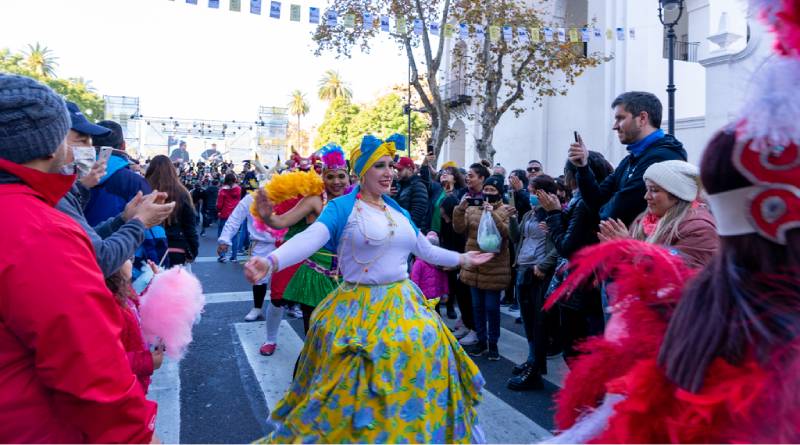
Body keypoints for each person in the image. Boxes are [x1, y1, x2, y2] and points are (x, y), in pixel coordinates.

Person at [548, 6, 800, 439]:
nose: (648, 197)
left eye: (621, 118)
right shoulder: (636, 165)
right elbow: (600, 203)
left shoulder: (663, 158)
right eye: (645, 190)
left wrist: (637, 249)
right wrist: (586, 168)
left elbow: (608, 212)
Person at [245, 134, 494, 443]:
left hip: (403, 301)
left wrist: (463, 258)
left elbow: (426, 252)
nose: (388, 172)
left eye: (390, 165)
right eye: (379, 166)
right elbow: (310, 238)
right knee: (358, 383)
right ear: (362, 173)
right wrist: (272, 261)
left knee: (423, 358)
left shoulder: (397, 211)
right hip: (358, 307)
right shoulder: (341, 208)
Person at [0, 73, 157, 443]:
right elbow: (90, 368)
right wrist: (139, 435)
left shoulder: (37, 211)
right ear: (51, 146)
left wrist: (119, 218)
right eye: (77, 138)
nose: (84, 148)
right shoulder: (37, 228)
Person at [56, 102, 174, 277]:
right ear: (51, 142)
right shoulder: (46, 196)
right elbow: (101, 257)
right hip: (117, 270)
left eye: (90, 141)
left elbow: (84, 240)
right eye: (81, 140)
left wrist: (124, 218)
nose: (87, 148)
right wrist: (140, 222)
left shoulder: (69, 187)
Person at [255, 144, 350, 335]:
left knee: (341, 335)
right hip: (316, 277)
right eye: (330, 176)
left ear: (349, 177)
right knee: (314, 335)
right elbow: (281, 221)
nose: (336, 182)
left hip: (346, 276)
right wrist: (267, 216)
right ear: (322, 178)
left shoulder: (355, 201)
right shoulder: (316, 200)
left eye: (341, 176)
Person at [568, 91, 687, 225]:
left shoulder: (662, 157)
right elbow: (596, 201)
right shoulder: (630, 160)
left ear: (642, 118)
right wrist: (583, 167)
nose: (615, 126)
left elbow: (613, 214)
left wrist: (602, 212)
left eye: (620, 118)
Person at [540, 151, 614, 360]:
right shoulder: (588, 199)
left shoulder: (583, 204)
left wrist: (554, 214)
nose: (565, 179)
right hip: (588, 282)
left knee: (576, 350)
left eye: (566, 174)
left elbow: (568, 247)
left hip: (581, 283)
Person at [597, 160, 719, 269]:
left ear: (677, 194)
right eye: (647, 190)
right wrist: (613, 253)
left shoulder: (700, 229)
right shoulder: (643, 221)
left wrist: (630, 248)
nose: (646, 196)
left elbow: (678, 276)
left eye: (654, 190)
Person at [506, 175, 560, 391]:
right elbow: (517, 237)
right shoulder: (530, 213)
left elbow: (559, 245)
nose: (530, 194)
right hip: (523, 269)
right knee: (528, 320)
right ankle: (531, 359)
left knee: (538, 323)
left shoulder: (554, 215)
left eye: (534, 191)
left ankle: (536, 369)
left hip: (539, 274)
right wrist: (512, 218)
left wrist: (544, 265)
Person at [453, 174, 512, 361]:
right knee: (477, 306)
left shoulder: (505, 210)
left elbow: (506, 234)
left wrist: (492, 214)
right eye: (486, 190)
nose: (488, 193)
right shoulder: (472, 209)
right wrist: (460, 210)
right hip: (474, 265)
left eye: (492, 190)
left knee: (492, 307)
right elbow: (459, 229)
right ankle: (481, 339)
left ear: (499, 193)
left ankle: (493, 343)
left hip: (494, 267)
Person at [105, 260, 166, 394]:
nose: (132, 261)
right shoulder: (107, 306)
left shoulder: (124, 290)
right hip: (122, 390)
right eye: (127, 257)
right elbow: (105, 361)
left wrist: (156, 283)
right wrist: (147, 361)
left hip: (136, 382)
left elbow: (140, 307)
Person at [218, 188, 278, 323]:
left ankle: (290, 306)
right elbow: (236, 217)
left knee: (285, 279)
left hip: (284, 243)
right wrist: (225, 239)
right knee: (258, 278)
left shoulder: (286, 193)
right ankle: (257, 308)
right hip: (261, 244)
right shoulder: (251, 198)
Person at [84, 120, 153, 227]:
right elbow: (150, 227)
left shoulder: (71, 175)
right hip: (123, 241)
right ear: (123, 146)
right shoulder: (136, 182)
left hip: (75, 241)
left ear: (91, 144)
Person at [146, 155, 199, 266]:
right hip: (176, 247)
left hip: (148, 246)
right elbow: (190, 226)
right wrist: (193, 251)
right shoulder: (182, 192)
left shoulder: (145, 190)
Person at [410, 231, 450, 302]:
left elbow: (444, 279)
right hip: (423, 298)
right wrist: (415, 294)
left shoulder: (439, 263)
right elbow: (415, 279)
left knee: (436, 312)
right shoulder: (419, 263)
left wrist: (445, 293)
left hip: (436, 298)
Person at [394, 154, 429, 230]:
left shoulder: (418, 186)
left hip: (410, 230)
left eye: (400, 170)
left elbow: (417, 215)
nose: (397, 173)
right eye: (397, 170)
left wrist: (404, 229)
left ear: (410, 170)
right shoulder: (400, 185)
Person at [216, 173, 242, 262]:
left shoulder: (222, 190)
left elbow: (219, 205)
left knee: (223, 234)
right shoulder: (239, 189)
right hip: (235, 215)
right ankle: (234, 257)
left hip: (224, 214)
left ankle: (222, 256)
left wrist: (218, 211)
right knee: (234, 235)